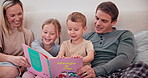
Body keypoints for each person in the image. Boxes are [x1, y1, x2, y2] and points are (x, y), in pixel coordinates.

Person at [77, 1, 142, 78]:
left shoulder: (124, 34)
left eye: (104, 21)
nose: (98, 23)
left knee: (140, 66)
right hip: (94, 74)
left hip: (120, 72)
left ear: (114, 22)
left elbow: (124, 58)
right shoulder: (85, 37)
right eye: (97, 18)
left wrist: (97, 71)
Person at [0, 0, 34, 78]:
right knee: (12, 71)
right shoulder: (1, 30)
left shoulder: (28, 34)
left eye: (19, 14)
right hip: (3, 66)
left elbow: (28, 59)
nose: (17, 18)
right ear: (5, 16)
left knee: (14, 71)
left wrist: (20, 71)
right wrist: (12, 59)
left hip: (17, 71)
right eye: (12, 15)